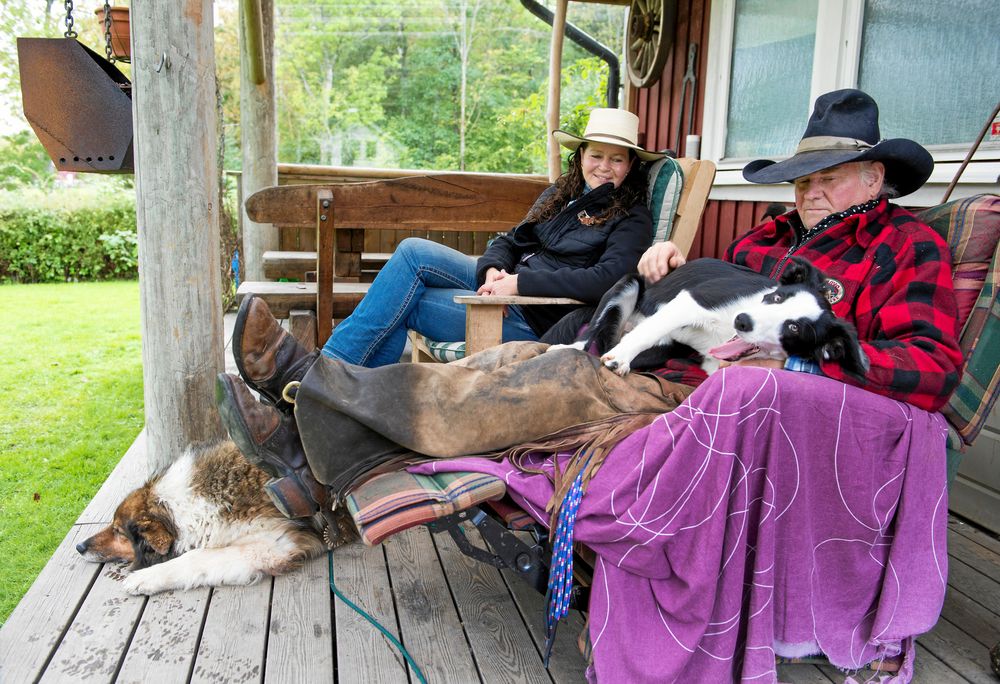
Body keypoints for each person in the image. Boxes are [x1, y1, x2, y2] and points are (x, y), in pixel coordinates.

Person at [216, 89, 962, 536]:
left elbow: (932, 370)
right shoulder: (766, 238)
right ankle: (316, 447)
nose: (809, 193)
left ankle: (308, 390)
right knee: (508, 362)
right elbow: (694, 300)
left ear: (877, 178)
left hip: (717, 403)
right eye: (802, 180)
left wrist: (795, 358)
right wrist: (670, 264)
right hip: (652, 354)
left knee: (544, 383)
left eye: (829, 178)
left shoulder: (906, 247)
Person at [286, 107, 663, 370]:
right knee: (412, 252)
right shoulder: (560, 196)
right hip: (505, 288)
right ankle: (338, 381)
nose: (604, 167)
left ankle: (327, 377)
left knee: (402, 302)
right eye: (597, 155)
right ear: (581, 156)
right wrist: (493, 272)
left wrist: (520, 285)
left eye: (616, 159)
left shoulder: (632, 217)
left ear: (630, 165)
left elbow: (607, 280)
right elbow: (511, 240)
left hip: (535, 317)